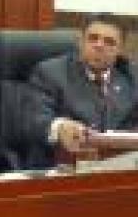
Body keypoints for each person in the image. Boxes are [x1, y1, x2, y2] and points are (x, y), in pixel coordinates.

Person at [23, 12, 138, 167]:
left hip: (119, 167)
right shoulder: (50, 73)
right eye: (93, 38)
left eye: (109, 42)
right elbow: (34, 121)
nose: (99, 46)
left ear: (120, 50)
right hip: (61, 167)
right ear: (81, 41)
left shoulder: (131, 77)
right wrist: (60, 128)